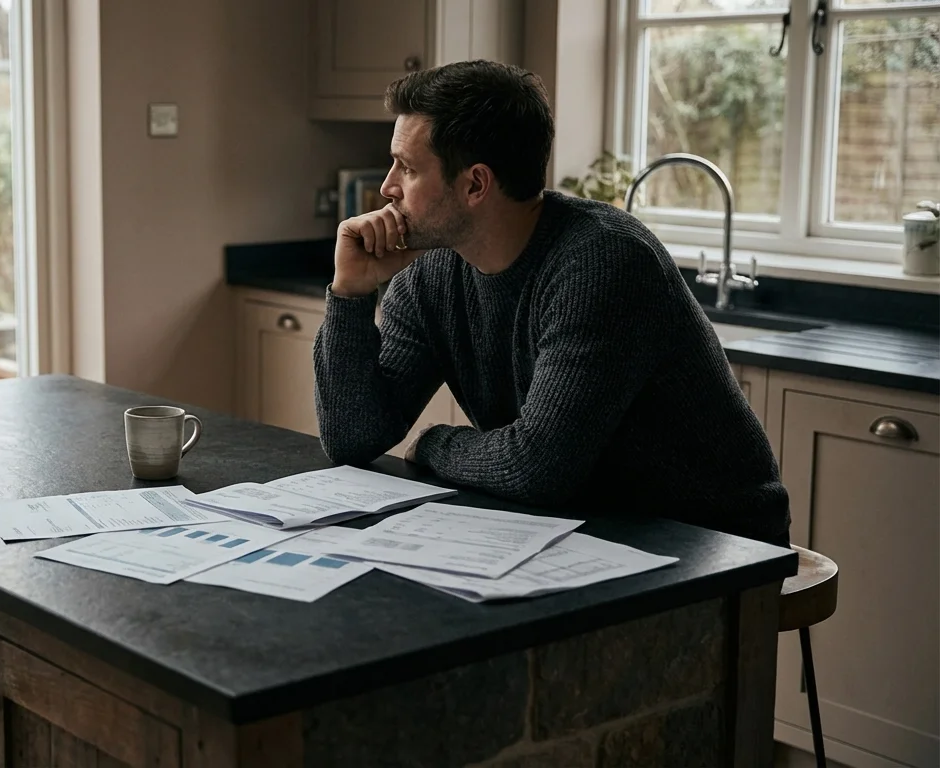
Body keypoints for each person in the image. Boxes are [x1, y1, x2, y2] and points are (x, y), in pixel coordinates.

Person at [313, 60, 790, 547]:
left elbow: (536, 467)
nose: (389, 186)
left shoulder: (604, 262)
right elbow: (352, 438)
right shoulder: (431, 271)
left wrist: (436, 443)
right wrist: (350, 294)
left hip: (711, 540)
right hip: (583, 525)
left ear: (476, 184)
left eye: (408, 168)